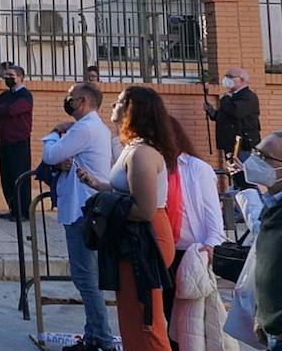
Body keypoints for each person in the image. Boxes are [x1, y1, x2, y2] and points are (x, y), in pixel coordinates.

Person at [78, 86, 177, 351]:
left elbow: (144, 209)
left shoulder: (142, 153)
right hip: (132, 237)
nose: (113, 105)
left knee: (145, 321)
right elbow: (126, 191)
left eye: (120, 101)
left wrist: (106, 207)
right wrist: (100, 187)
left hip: (146, 238)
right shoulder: (130, 147)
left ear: (134, 111)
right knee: (131, 316)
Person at [40, 82, 115, 351]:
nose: (67, 103)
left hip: (83, 210)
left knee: (85, 278)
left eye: (70, 99)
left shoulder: (84, 129)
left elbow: (51, 155)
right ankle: (93, 335)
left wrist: (53, 133)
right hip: (87, 207)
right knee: (88, 277)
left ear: (82, 101)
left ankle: (102, 339)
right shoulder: (95, 128)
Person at [163, 117, 227, 351]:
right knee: (165, 316)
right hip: (162, 251)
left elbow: (213, 220)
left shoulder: (196, 168)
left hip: (190, 255)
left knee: (190, 325)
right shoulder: (153, 167)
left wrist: (209, 248)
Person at [247, 130, 282, 351]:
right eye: (255, 152)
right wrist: (261, 317)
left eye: (264, 157)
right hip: (275, 331)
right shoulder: (277, 204)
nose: (254, 160)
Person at [204, 66, 261, 188]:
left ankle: (251, 203)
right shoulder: (231, 98)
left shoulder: (248, 97)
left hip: (242, 146)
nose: (226, 79)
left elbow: (236, 112)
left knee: (245, 179)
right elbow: (222, 117)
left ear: (241, 79)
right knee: (236, 177)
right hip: (230, 146)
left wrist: (225, 98)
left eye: (230, 77)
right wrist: (211, 111)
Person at [0, 65, 34, 221]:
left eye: (11, 75)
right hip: (4, 141)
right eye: (6, 74)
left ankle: (23, 211)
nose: (7, 77)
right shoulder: (4, 95)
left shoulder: (26, 95)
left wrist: (5, 110)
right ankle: (13, 208)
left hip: (19, 142)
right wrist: (5, 109)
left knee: (19, 176)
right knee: (6, 176)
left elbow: (13, 110)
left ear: (20, 77)